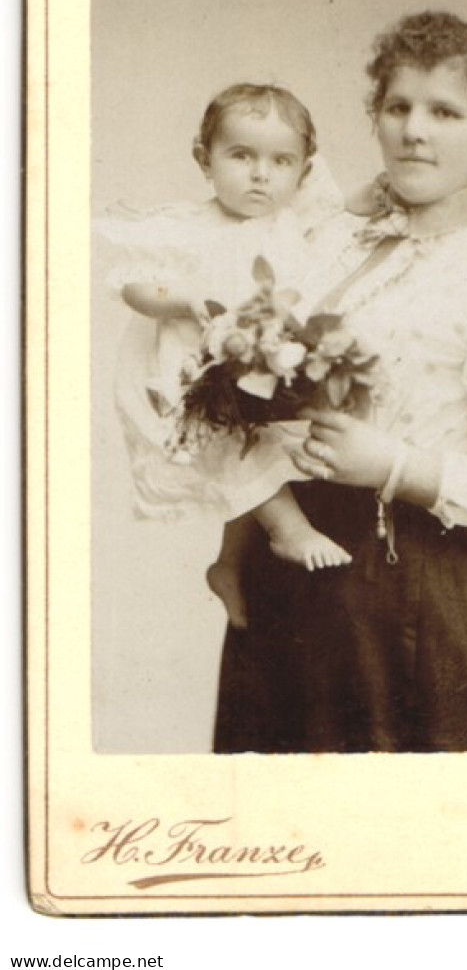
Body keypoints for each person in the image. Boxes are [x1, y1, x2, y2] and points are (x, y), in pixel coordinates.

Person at [212, 11, 467, 754]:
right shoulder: (330, 242)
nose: (414, 131)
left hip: (405, 595)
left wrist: (395, 465)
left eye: (445, 112)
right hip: (285, 584)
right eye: (397, 107)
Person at [96, 83, 351, 629]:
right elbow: (134, 287)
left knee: (258, 451)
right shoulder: (187, 227)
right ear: (204, 160)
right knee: (235, 444)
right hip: (192, 372)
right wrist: (188, 299)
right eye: (241, 156)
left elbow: (348, 215)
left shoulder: (292, 222)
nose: (261, 174)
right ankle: (289, 531)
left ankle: (229, 564)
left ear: (303, 172)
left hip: (262, 364)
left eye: (280, 161)